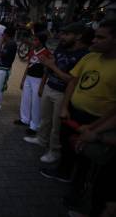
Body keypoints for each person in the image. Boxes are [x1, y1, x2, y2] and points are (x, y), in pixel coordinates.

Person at [40, 20, 116, 183]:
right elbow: (73, 82)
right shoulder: (90, 57)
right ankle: (64, 172)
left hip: (97, 120)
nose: (94, 40)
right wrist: (65, 107)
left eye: (101, 38)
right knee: (67, 145)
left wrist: (95, 128)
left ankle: (79, 189)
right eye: (95, 36)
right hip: (73, 113)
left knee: (86, 159)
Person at [23, 23, 93, 163]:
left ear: (78, 36)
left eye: (67, 34)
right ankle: (41, 139)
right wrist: (43, 84)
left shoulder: (84, 55)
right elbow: (48, 68)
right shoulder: (61, 48)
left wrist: (52, 66)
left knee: (57, 125)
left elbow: (71, 80)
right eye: (62, 34)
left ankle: (54, 151)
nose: (62, 37)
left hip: (62, 93)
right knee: (45, 118)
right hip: (50, 86)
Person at [14, 32, 51, 135]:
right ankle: (24, 119)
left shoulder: (46, 53)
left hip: (38, 80)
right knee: (25, 99)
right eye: (33, 39)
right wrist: (23, 79)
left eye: (36, 40)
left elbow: (46, 71)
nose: (33, 42)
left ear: (41, 42)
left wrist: (42, 85)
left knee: (36, 103)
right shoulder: (32, 51)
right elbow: (28, 65)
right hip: (29, 78)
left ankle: (35, 125)